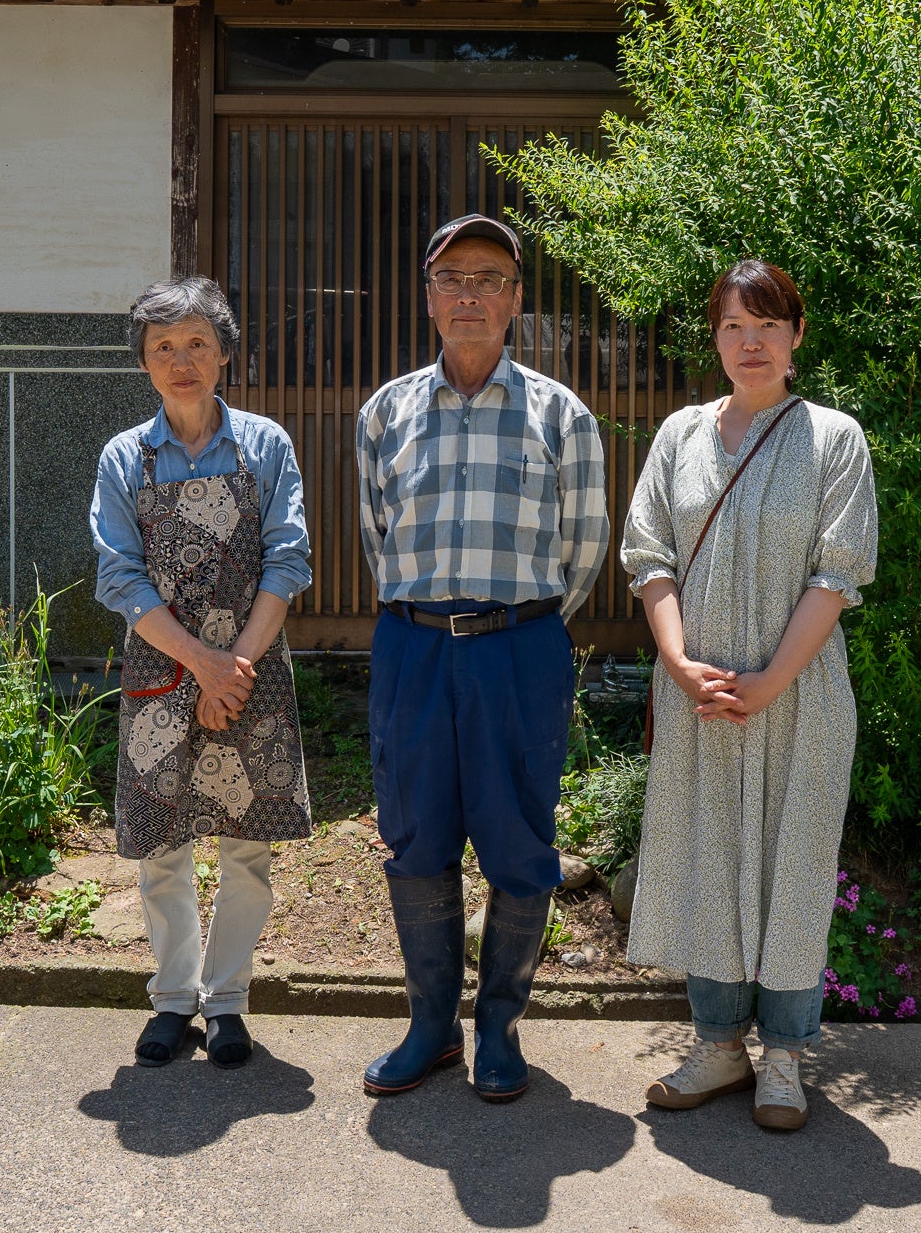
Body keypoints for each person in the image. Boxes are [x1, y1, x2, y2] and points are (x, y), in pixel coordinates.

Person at [355, 214, 609, 1102]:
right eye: (452, 277)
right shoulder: (385, 412)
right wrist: (430, 618)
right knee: (415, 837)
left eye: (489, 278)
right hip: (414, 648)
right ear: (428, 297)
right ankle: (431, 1027)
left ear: (515, 299)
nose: (470, 294)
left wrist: (521, 628)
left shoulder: (561, 416)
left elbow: (584, 549)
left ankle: (499, 1025)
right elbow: (378, 536)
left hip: (519, 652)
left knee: (519, 841)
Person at [623, 260, 876, 1133]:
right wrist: (676, 659)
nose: (751, 342)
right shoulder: (680, 435)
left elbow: (838, 574)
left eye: (768, 324)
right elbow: (649, 555)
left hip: (799, 697)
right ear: (716, 338)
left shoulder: (834, 439)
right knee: (709, 860)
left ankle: (785, 1060)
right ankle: (718, 1046)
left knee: (793, 864)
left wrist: (769, 681)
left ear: (797, 335)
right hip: (700, 695)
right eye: (734, 325)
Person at [90, 274, 315, 1069]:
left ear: (224, 354)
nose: (180, 361)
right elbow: (120, 576)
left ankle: (227, 1002)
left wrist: (234, 668)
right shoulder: (127, 456)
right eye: (163, 347)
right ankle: (172, 998)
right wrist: (205, 666)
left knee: (247, 845)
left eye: (196, 343)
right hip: (162, 668)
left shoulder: (266, 445)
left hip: (252, 669)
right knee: (163, 845)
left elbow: (288, 560)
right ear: (143, 362)